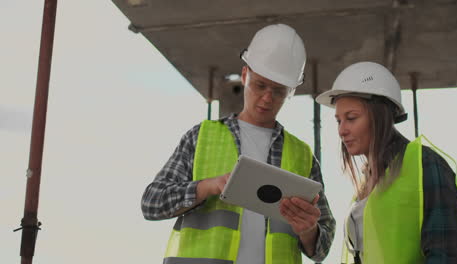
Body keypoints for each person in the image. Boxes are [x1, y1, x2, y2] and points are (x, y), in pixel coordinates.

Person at [141, 24, 335, 264]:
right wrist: (208, 186)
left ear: (291, 91)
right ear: (245, 76)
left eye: (278, 91)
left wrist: (307, 229)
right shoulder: (201, 137)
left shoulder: (302, 156)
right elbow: (151, 203)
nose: (267, 98)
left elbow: (323, 247)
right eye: (260, 85)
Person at [316, 61, 457, 263]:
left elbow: (446, 255)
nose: (341, 130)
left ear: (380, 117)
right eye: (338, 120)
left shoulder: (426, 165)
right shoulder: (367, 186)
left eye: (351, 118)